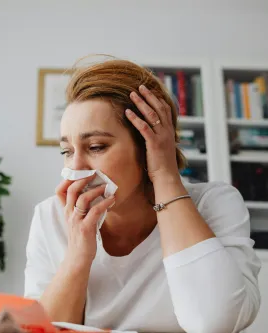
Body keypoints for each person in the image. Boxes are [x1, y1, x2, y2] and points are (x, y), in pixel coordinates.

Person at [24, 58, 261, 333]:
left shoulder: (214, 204)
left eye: (97, 146)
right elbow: (41, 330)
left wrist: (165, 174)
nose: (75, 168)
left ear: (148, 146)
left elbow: (216, 323)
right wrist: (79, 251)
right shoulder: (50, 216)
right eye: (67, 151)